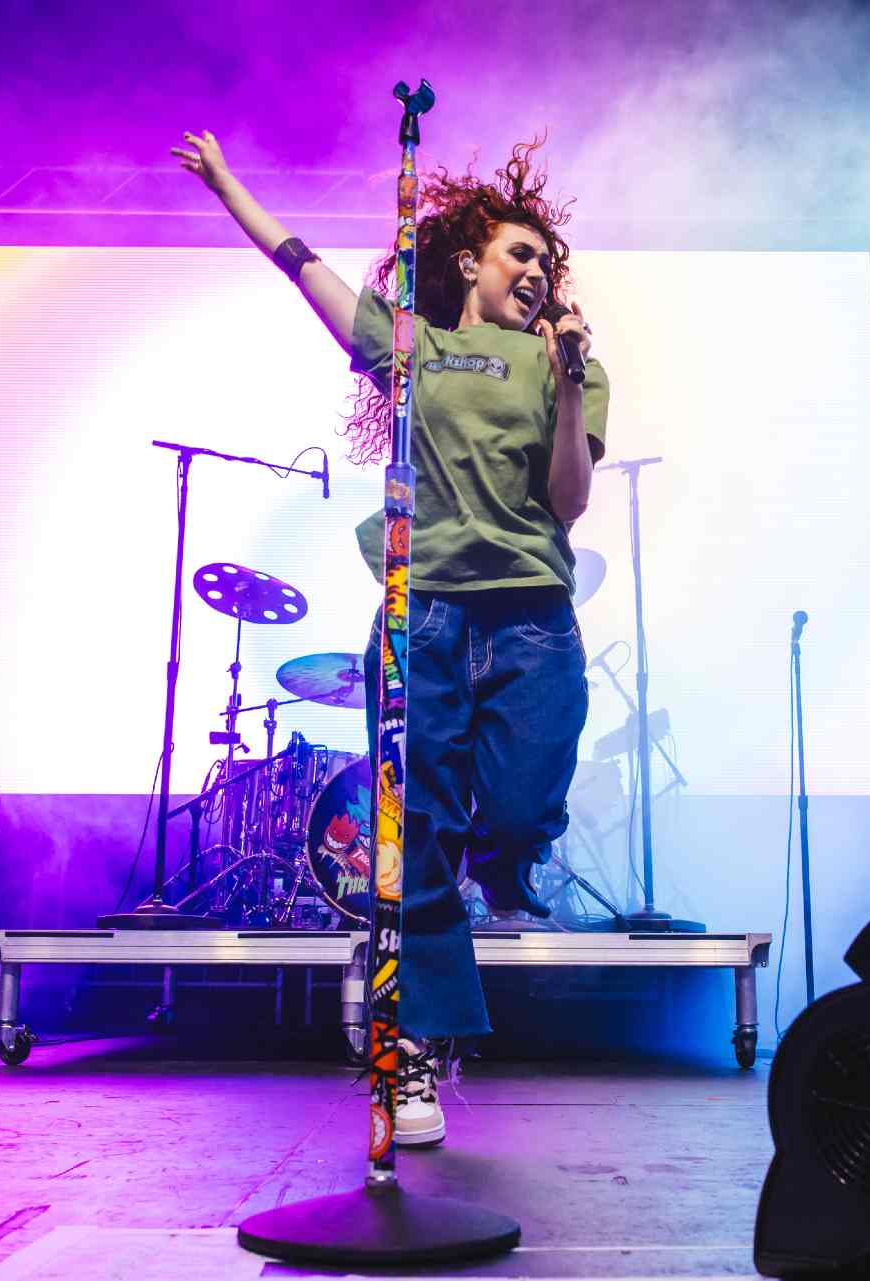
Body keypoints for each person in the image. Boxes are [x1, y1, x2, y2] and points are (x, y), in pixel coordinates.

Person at [174, 129, 607, 1146]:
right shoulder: (412, 344)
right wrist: (231, 182)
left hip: (534, 618)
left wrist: (576, 379)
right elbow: (303, 271)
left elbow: (569, 503)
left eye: (549, 263)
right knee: (411, 842)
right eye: (520, 254)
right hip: (425, 618)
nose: (539, 272)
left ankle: (508, 856)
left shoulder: (564, 367)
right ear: (471, 261)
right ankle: (413, 1052)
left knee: (522, 801)